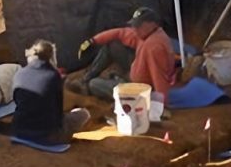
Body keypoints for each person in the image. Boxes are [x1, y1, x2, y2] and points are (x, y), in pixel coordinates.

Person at [69, 7, 202, 103]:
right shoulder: (147, 33)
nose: (135, 29)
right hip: (136, 69)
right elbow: (119, 33)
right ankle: (86, 80)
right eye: (135, 25)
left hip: (138, 89)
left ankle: (88, 85)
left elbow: (159, 77)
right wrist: (92, 41)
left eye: (138, 26)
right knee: (112, 45)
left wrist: (161, 105)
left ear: (152, 24)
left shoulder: (154, 47)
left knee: (94, 84)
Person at [11, 40, 90, 144]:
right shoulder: (53, 76)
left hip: (19, 132)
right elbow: (58, 108)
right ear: (51, 56)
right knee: (84, 114)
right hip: (47, 136)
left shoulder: (19, 73)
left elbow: (17, 101)